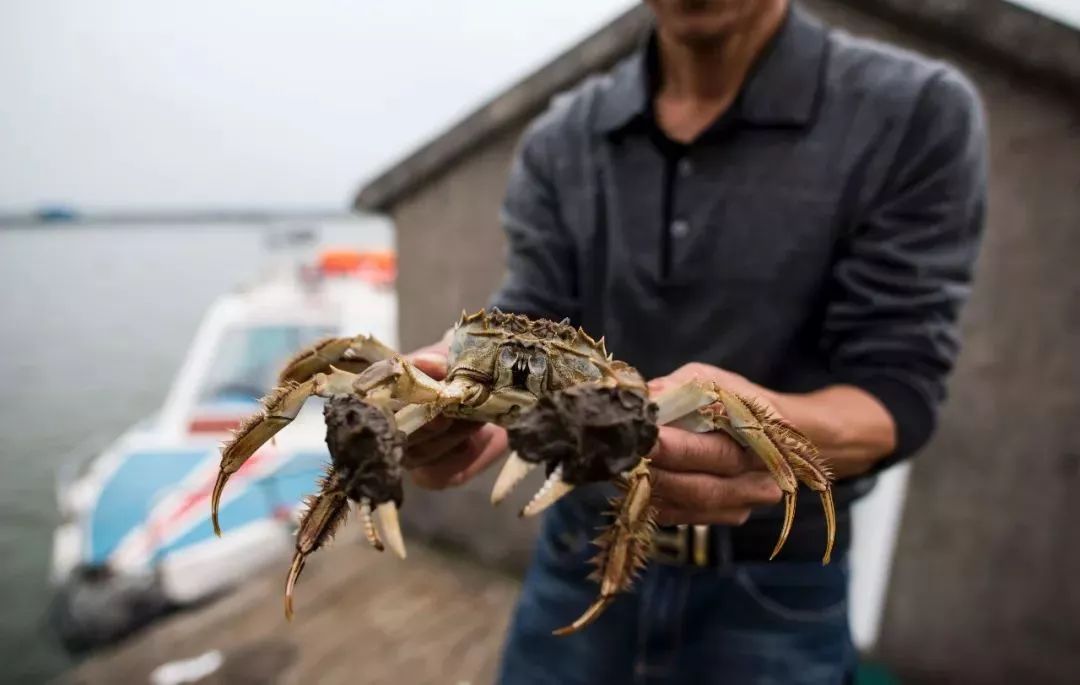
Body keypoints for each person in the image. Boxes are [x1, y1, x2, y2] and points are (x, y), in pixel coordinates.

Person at [406, 0, 986, 682]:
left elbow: (898, 386)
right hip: (577, 555)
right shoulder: (562, 139)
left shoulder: (914, 113)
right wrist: (452, 405)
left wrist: (768, 428)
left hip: (777, 584)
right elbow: (528, 319)